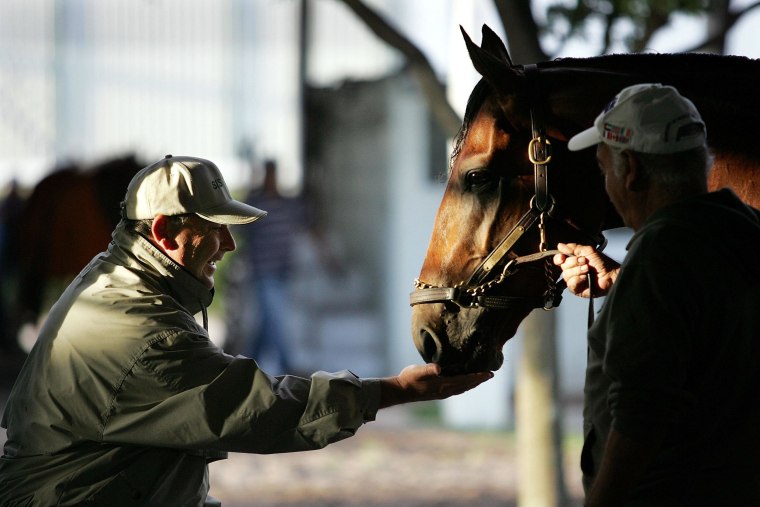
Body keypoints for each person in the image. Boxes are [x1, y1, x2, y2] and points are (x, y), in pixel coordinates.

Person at [0, 155, 493, 506]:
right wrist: (394, 390)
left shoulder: (115, 274)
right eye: (214, 227)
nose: (229, 244)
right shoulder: (144, 333)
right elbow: (260, 408)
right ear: (164, 234)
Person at [553, 84, 760, 506]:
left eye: (603, 168)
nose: (606, 185)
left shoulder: (660, 255)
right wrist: (623, 279)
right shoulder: (745, 230)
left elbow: (641, 416)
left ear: (630, 169)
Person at [240, 159, 303, 372]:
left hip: (283, 270)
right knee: (276, 320)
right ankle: (286, 366)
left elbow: (308, 225)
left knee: (267, 321)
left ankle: (248, 363)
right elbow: (242, 232)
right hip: (263, 271)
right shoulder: (255, 202)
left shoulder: (286, 203)